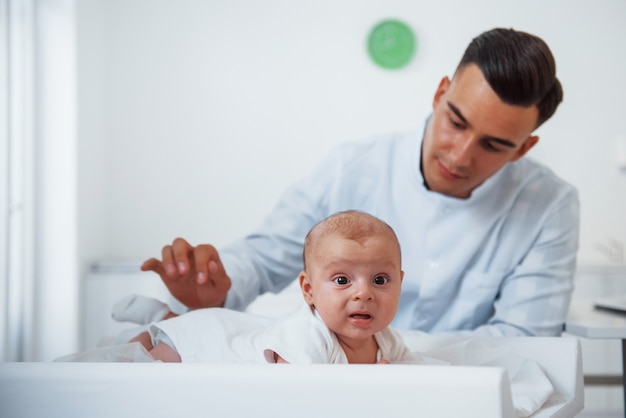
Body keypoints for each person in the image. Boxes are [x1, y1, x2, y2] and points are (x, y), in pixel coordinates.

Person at [141, 27, 579, 337]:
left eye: (494, 145)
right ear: (440, 92)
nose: (459, 155)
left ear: (524, 148)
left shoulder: (549, 205)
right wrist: (219, 282)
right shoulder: (355, 166)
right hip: (342, 386)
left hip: (464, 396)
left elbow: (525, 338)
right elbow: (265, 254)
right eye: (456, 121)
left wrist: (394, 356)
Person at [127, 210, 415, 364]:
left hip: (235, 329)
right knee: (150, 360)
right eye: (342, 281)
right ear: (309, 290)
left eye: (380, 280)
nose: (364, 293)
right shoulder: (307, 337)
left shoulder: (385, 339)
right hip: (206, 344)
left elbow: (414, 368)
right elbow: (294, 399)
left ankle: (163, 318)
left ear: (399, 283)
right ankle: (151, 329)